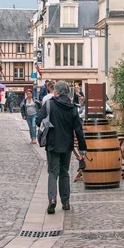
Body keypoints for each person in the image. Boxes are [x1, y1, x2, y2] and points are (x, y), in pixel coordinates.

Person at [36, 81, 87, 214]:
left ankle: (52, 200)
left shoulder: (49, 105)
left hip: (52, 144)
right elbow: (79, 130)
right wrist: (82, 150)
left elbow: (37, 121)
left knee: (53, 173)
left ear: (56, 92)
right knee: (64, 173)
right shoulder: (72, 108)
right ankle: (66, 202)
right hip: (67, 145)